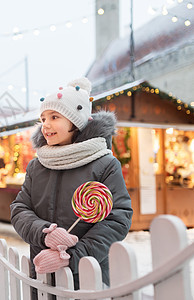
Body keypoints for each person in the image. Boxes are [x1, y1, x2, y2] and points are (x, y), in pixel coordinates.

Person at [10, 77, 133, 296]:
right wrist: (44, 233)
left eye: (55, 117)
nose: (45, 124)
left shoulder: (104, 163)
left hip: (87, 275)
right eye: (43, 118)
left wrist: (71, 256)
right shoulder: (37, 166)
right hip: (42, 274)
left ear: (75, 121)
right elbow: (20, 209)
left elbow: (118, 218)